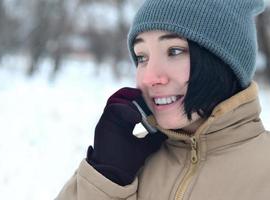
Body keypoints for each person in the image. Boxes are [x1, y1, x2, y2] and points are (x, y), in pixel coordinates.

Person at [56, 0, 270, 199]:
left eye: (174, 51)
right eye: (142, 57)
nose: (149, 78)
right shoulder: (130, 164)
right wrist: (106, 177)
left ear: (223, 61)